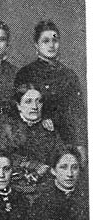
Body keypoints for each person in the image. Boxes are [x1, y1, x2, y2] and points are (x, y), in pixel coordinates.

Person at [15, 20, 86, 159]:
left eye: (55, 40)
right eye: (45, 41)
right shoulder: (26, 73)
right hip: (35, 139)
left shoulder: (69, 75)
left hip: (66, 139)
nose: (51, 45)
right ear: (36, 45)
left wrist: (80, 145)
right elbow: (18, 110)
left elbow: (78, 114)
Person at [0, 83, 65, 193]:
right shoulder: (8, 129)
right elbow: (0, 159)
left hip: (46, 188)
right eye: (28, 101)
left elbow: (61, 157)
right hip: (15, 188)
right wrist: (31, 165)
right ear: (18, 105)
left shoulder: (50, 129)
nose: (35, 106)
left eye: (39, 101)